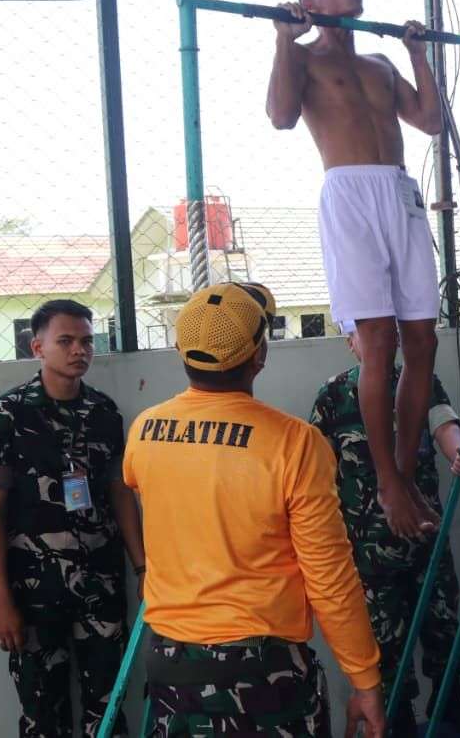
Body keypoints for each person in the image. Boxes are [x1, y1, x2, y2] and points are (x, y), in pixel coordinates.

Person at [123, 283, 385, 737]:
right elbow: (329, 575)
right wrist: (364, 679)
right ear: (259, 355)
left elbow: (145, 486)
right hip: (261, 678)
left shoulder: (145, 430)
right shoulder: (294, 443)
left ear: (180, 352)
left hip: (172, 666)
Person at [267, 0, 445, 545]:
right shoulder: (304, 57)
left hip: (398, 191)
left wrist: (416, 53)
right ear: (309, 1)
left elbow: (431, 121)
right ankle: (387, 480)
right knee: (378, 340)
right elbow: (281, 116)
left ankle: (407, 472)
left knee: (423, 339)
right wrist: (283, 40)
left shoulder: (380, 63)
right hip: (349, 192)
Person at [0, 298, 145, 737]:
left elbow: (120, 493)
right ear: (38, 347)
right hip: (33, 592)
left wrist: (143, 567)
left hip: (101, 584)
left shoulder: (105, 413)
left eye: (86, 341)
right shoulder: (3, 417)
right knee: (41, 714)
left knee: (108, 709)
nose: (79, 350)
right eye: (65, 341)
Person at [310, 329, 460, 737]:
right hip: (370, 548)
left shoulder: (420, 378)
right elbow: (316, 464)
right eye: (364, 335)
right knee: (385, 640)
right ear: (350, 343)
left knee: (444, 623)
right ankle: (398, 716)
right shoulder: (333, 395)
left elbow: (443, 422)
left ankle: (449, 700)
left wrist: (458, 454)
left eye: (388, 335)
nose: (378, 342)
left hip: (425, 534)